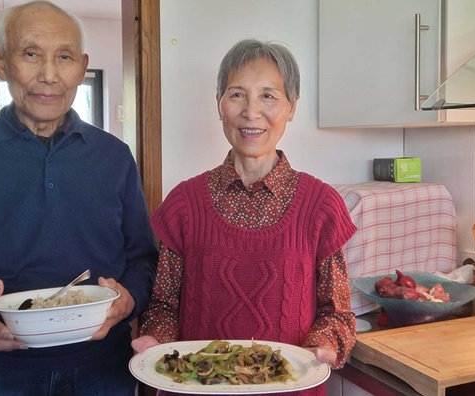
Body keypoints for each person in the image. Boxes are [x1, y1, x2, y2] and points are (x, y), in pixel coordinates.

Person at [0, 1, 158, 395]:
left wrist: (130, 299)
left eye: (65, 57)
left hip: (101, 369)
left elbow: (142, 258)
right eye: (30, 54)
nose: (49, 75)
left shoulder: (113, 156)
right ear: (0, 62)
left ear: (82, 65)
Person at [132, 39, 357, 396]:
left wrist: (323, 346)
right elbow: (164, 305)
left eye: (268, 96)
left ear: (291, 107)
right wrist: (154, 340)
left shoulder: (322, 206)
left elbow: (337, 313)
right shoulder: (184, 204)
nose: (252, 112)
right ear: (219, 103)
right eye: (237, 94)